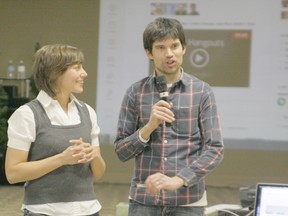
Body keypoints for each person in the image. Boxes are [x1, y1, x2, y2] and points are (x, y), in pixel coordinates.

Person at [114, 17, 224, 216]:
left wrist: (179, 180)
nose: (169, 54)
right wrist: (148, 128)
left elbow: (215, 149)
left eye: (174, 46)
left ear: (184, 48)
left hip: (187, 202)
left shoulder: (202, 92)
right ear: (149, 53)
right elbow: (121, 151)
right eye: (161, 48)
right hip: (144, 202)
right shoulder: (135, 93)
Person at [5, 44, 106, 216]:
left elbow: (98, 174)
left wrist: (94, 155)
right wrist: (62, 159)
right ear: (55, 73)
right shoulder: (27, 114)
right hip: (44, 211)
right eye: (77, 68)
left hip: (89, 210)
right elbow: (13, 173)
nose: (84, 73)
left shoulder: (88, 112)